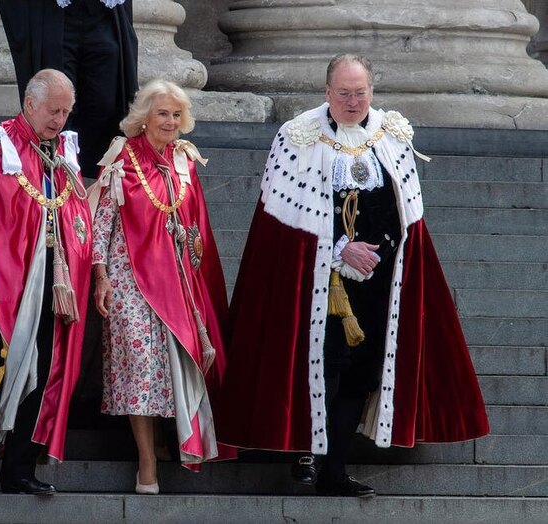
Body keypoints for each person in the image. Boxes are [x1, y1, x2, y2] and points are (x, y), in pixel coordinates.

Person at [216, 54, 489, 497]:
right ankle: (308, 452)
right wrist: (339, 249)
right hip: (317, 282)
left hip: (381, 280)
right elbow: (282, 222)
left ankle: (335, 471)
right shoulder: (298, 136)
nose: (352, 101)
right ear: (327, 92)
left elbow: (408, 213)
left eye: (360, 92)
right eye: (343, 92)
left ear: (371, 92)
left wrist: (383, 251)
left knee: (362, 372)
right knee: (324, 365)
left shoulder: (392, 135)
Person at [90, 79, 235, 494]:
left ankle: (163, 440)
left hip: (176, 282)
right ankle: (146, 459)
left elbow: (197, 225)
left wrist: (196, 268)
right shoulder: (121, 156)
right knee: (140, 367)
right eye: (162, 114)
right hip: (128, 277)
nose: (170, 122)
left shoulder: (185, 159)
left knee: (170, 367)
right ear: (144, 117)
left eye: (176, 114)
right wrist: (101, 277)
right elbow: (101, 222)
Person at [0, 69, 92, 495]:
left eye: (66, 112)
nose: (60, 120)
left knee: (47, 369)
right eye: (54, 111)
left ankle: (19, 468)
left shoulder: (65, 150)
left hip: (57, 278)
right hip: (6, 276)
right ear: (30, 104)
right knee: (6, 358)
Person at [0, 0, 138, 179]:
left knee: (106, 100)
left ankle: (89, 175)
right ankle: (58, 175)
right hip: (54, 15)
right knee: (56, 101)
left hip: (102, 14)